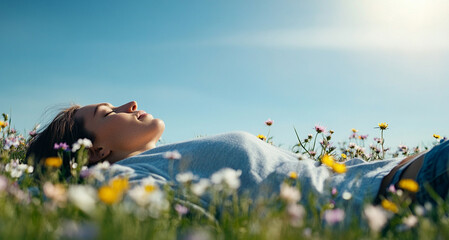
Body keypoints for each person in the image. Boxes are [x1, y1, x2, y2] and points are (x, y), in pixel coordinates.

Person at [26, 101, 448, 208]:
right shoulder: (117, 181)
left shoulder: (169, 159)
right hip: (403, 192)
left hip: (405, 173)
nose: (129, 104)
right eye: (107, 112)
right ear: (95, 150)